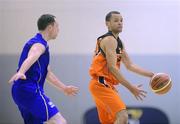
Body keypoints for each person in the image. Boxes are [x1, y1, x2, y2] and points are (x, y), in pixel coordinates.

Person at [9, 14, 79, 124]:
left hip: (19, 91)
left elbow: (47, 73)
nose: (58, 29)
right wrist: (21, 72)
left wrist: (64, 88)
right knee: (59, 121)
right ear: (50, 27)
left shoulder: (38, 43)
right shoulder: (39, 44)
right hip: (30, 90)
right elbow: (32, 57)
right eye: (57, 26)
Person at [89, 11, 154, 124]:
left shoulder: (119, 42)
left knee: (111, 121)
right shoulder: (109, 40)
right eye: (116, 20)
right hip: (101, 84)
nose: (120, 23)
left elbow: (130, 65)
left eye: (121, 20)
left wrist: (152, 75)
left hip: (104, 85)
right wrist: (131, 88)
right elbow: (113, 68)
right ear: (107, 24)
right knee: (123, 116)